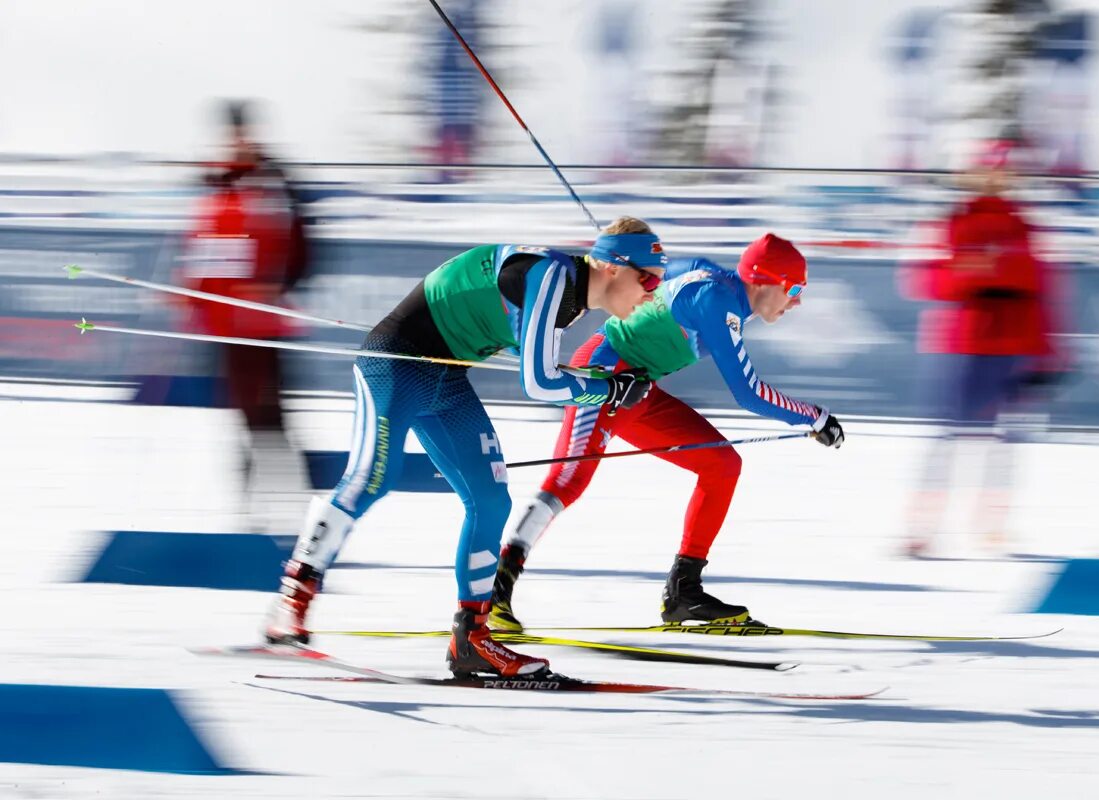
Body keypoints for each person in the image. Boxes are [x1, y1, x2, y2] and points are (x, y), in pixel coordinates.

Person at [263, 217, 667, 678]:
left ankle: (472, 639)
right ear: (614, 266)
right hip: (396, 362)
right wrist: (610, 390)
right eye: (648, 279)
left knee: (491, 498)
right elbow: (539, 382)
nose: (651, 293)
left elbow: (534, 358)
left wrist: (605, 382)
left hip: (446, 376)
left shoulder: (572, 297)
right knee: (372, 478)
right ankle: (290, 601)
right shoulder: (554, 277)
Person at [489, 233, 845, 631]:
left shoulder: (714, 279)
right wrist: (814, 417)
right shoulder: (719, 302)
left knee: (721, 464)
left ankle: (683, 594)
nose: (797, 300)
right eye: (794, 288)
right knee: (568, 480)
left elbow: (664, 275)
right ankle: (494, 591)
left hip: (638, 388)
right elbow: (749, 393)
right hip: (605, 375)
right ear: (763, 280)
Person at [902, 140, 1060, 556]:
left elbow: (1045, 290)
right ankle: (922, 527)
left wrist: (1050, 351)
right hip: (964, 343)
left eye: (1009, 171)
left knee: (1005, 441)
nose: (1001, 177)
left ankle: (991, 527)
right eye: (993, 169)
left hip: (1014, 345)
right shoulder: (956, 221)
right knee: (948, 437)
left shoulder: (1025, 226)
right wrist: (972, 272)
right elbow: (923, 279)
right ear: (975, 173)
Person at [178, 100, 310, 530]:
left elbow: (293, 247)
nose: (238, 141)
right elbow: (204, 255)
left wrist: (276, 287)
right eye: (233, 133)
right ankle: (256, 516)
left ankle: (286, 515)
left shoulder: (270, 187)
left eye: (242, 132)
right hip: (229, 329)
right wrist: (190, 297)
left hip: (261, 327)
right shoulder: (218, 193)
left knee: (269, 422)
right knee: (252, 421)